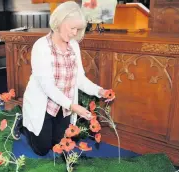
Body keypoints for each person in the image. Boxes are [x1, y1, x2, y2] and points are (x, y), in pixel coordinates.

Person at [11, 1, 113, 156]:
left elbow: (79, 79)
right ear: (59, 22)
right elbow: (48, 87)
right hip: (44, 105)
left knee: (57, 145)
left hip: (63, 106)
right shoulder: (41, 46)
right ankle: (23, 123)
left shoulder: (74, 46)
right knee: (42, 149)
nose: (74, 33)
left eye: (77, 29)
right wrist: (73, 106)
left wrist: (100, 91)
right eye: (72, 28)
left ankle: (37, 127)